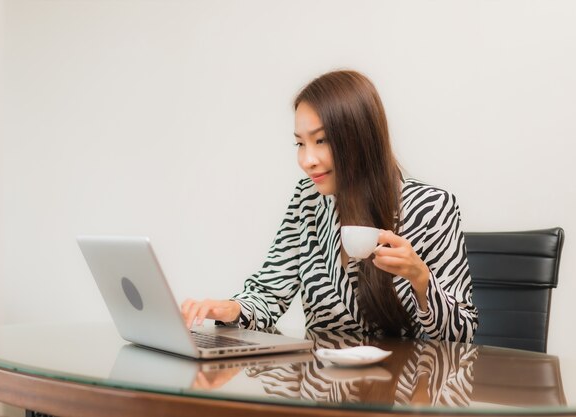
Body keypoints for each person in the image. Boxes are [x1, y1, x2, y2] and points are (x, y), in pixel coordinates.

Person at [181, 70, 478, 342]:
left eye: (321, 140)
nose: (307, 160)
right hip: (323, 388)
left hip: (406, 391)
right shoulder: (308, 200)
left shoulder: (432, 208)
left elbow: (462, 335)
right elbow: (268, 295)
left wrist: (420, 279)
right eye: (300, 143)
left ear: (361, 139)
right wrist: (229, 309)